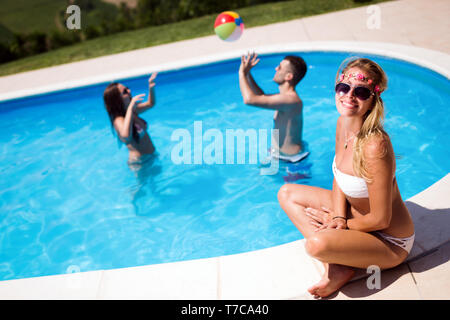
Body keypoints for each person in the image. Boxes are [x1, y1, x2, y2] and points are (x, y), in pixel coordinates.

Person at [277, 58, 415, 298]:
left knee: (316, 245)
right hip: (353, 218)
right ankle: (339, 265)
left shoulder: (375, 146)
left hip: (388, 241)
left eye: (361, 91)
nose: (349, 96)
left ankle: (336, 252)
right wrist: (339, 216)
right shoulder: (343, 123)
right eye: (344, 88)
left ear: (373, 99)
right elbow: (339, 177)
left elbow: (381, 219)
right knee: (287, 193)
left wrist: (341, 225)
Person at [239, 52, 309, 163]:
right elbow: (260, 97)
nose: (276, 68)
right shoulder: (285, 99)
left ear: (288, 76)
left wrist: (241, 73)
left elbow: (249, 100)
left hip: (292, 163)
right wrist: (248, 74)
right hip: (281, 156)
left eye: (280, 67)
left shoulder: (291, 100)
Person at [103, 73, 158, 168]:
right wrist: (130, 108)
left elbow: (151, 104)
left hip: (152, 156)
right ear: (118, 99)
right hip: (140, 163)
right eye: (125, 91)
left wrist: (151, 87)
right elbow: (126, 136)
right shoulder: (119, 120)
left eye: (127, 88)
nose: (129, 91)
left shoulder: (133, 110)